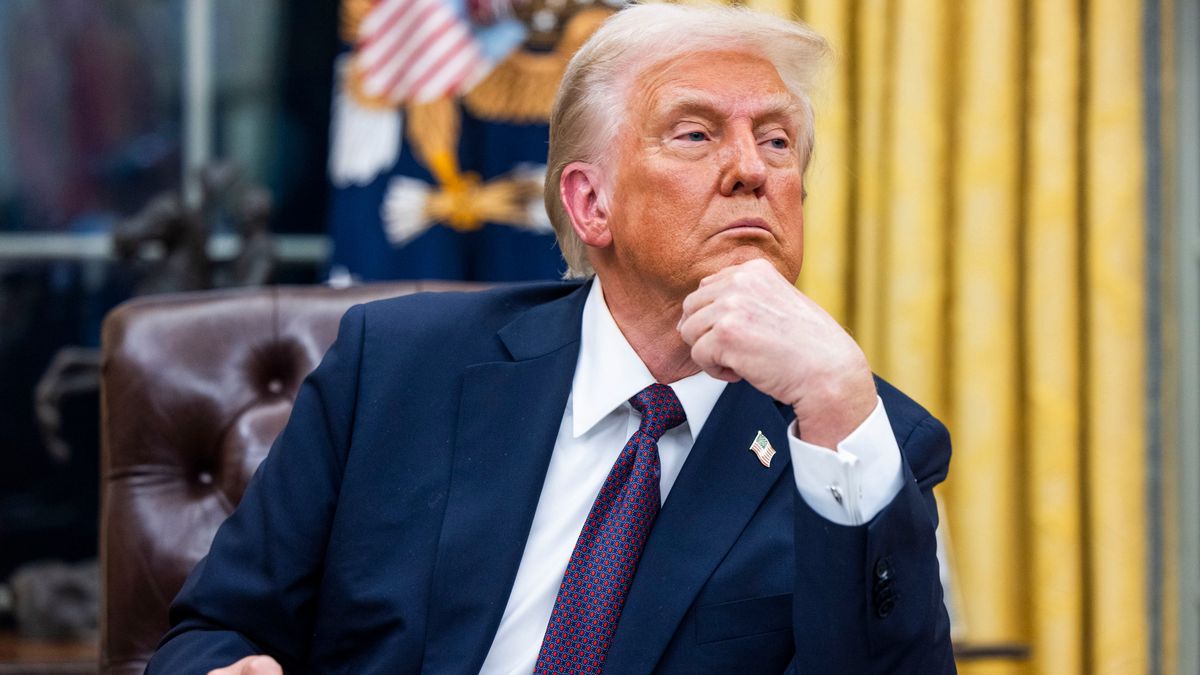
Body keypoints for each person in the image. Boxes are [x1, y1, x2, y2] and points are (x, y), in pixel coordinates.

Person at [148, 4, 954, 674]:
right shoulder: (395, 368)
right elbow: (212, 629)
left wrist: (839, 407)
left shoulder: (858, 438)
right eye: (697, 134)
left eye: (777, 141)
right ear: (589, 203)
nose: (753, 169)